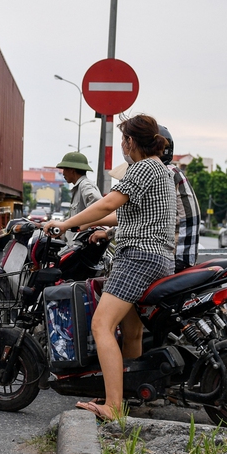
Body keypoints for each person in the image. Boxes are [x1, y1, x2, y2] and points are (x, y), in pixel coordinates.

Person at [44, 114, 175, 422]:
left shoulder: (142, 168)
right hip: (156, 257)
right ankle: (126, 393)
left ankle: (113, 406)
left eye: (123, 140)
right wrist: (79, 225)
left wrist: (64, 224)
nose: (122, 145)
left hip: (139, 257)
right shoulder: (161, 170)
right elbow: (120, 216)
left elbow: (107, 204)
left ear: (130, 142)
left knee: (101, 326)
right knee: (131, 331)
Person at [158, 126, 201, 272]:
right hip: (183, 251)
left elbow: (144, 216)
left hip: (176, 252)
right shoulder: (172, 170)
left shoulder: (163, 174)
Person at [56, 151, 101, 219]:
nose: (63, 173)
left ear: (72, 170)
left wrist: (87, 224)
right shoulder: (79, 187)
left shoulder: (85, 185)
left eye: (64, 169)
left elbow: (98, 203)